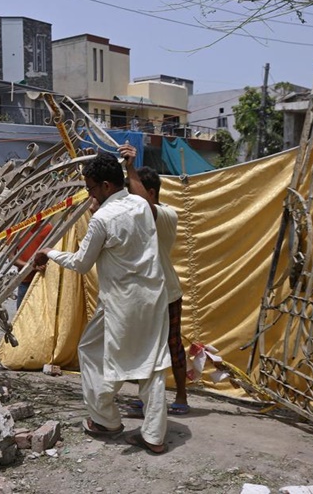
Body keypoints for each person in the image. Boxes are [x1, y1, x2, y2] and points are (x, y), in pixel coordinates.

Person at [34, 152, 171, 454]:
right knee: (152, 364)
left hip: (121, 302)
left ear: (106, 186)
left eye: (92, 188)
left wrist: (50, 252)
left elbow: (82, 264)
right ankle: (153, 436)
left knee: (93, 352)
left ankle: (106, 420)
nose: (90, 195)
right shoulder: (141, 205)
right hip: (152, 297)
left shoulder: (102, 219)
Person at [119, 143, 189, 415]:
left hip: (167, 292)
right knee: (143, 348)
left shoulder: (167, 214)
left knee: (173, 345)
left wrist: (130, 168)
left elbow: (146, 208)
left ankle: (181, 396)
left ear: (150, 193)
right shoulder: (137, 217)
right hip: (142, 294)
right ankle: (145, 395)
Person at [13, 221, 53, 310]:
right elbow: (12, 258)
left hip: (44, 279)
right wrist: (30, 266)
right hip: (25, 279)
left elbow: (54, 252)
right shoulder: (17, 230)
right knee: (21, 314)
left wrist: (45, 264)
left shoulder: (48, 228)